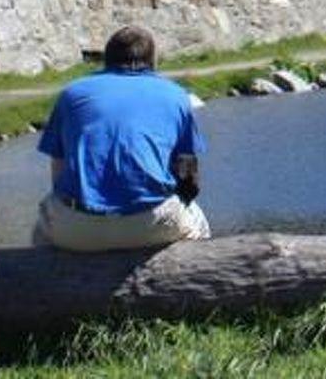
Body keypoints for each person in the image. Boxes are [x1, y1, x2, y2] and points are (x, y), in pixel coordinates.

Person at [33, 24, 210, 251]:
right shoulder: (175, 95)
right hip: (152, 224)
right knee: (197, 218)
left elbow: (58, 171)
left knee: (41, 230)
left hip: (77, 228)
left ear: (106, 59)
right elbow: (189, 178)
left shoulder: (72, 93)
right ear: (153, 61)